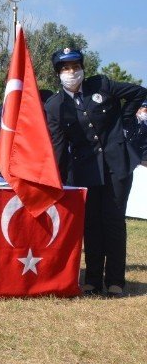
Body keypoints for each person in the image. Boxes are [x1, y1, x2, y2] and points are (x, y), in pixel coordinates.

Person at [44, 48, 147, 297]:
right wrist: (55, 180)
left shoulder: (101, 85)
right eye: (66, 68)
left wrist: (124, 122)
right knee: (90, 224)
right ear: (58, 73)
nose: (72, 72)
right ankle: (91, 279)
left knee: (112, 221)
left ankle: (115, 280)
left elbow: (139, 93)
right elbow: (58, 146)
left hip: (116, 164)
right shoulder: (55, 105)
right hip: (84, 170)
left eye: (75, 66)